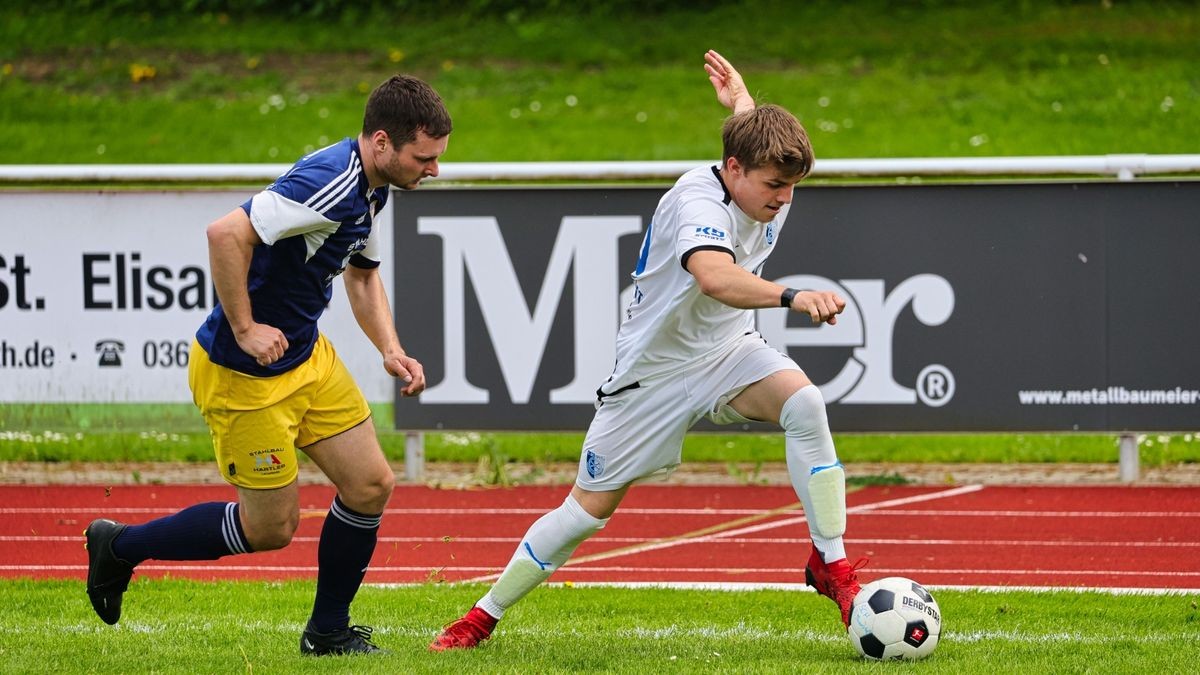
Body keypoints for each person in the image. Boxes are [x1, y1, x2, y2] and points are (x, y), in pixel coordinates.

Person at [430, 50, 867, 652]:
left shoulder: (753, 170)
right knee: (586, 512)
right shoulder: (697, 202)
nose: (786, 199)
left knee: (805, 405)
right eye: (775, 186)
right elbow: (715, 277)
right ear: (734, 169)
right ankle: (482, 616)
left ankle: (833, 567)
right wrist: (793, 296)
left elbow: (750, 136)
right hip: (651, 377)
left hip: (727, 350)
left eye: (793, 186)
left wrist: (742, 101)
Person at [84, 74, 451, 656]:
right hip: (243, 376)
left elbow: (361, 273)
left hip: (307, 359)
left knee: (370, 485)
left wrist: (390, 347)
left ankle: (327, 632)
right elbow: (225, 234)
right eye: (424, 158)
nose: (433, 170)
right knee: (271, 530)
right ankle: (120, 546)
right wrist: (246, 328)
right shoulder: (330, 182)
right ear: (382, 142)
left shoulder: (375, 186)